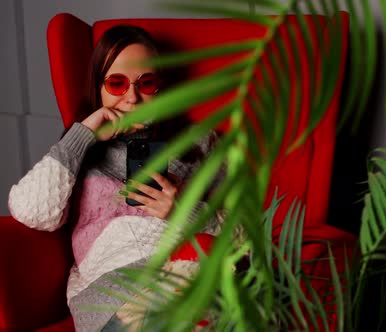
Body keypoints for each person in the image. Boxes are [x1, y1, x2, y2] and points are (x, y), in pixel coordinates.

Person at [8, 24, 224, 331]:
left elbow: (241, 230)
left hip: (189, 274)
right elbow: (32, 212)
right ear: (98, 86)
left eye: (145, 83)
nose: (132, 98)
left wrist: (183, 211)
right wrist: (84, 132)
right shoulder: (76, 149)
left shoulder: (200, 143)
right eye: (117, 83)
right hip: (116, 293)